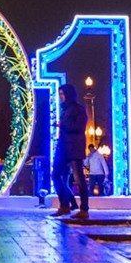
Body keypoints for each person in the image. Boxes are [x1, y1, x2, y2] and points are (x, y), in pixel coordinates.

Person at [50, 83, 89, 219]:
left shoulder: (78, 109)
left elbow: (79, 126)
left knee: (79, 178)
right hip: (63, 147)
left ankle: (84, 209)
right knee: (55, 175)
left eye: (62, 94)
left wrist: (63, 124)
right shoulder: (64, 110)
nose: (61, 97)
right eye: (60, 94)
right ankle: (64, 205)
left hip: (74, 148)